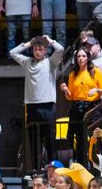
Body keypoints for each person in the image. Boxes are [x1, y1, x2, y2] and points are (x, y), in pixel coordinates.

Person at [10, 35, 64, 167]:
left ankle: (53, 168)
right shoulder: (28, 62)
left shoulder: (51, 62)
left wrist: (50, 41)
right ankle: (35, 169)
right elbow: (13, 52)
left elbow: (60, 49)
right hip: (31, 106)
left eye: (41, 49)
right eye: (35, 49)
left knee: (50, 139)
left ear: (45, 50)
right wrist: (29, 43)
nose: (38, 51)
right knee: (34, 140)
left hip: (48, 106)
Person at [60, 48, 102, 156]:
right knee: (79, 135)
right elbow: (70, 97)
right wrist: (66, 90)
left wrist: (96, 90)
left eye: (83, 56)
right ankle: (81, 161)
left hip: (94, 106)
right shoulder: (73, 74)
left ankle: (98, 158)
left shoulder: (96, 71)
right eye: (78, 56)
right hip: (77, 106)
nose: (81, 58)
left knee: (98, 134)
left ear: (88, 58)